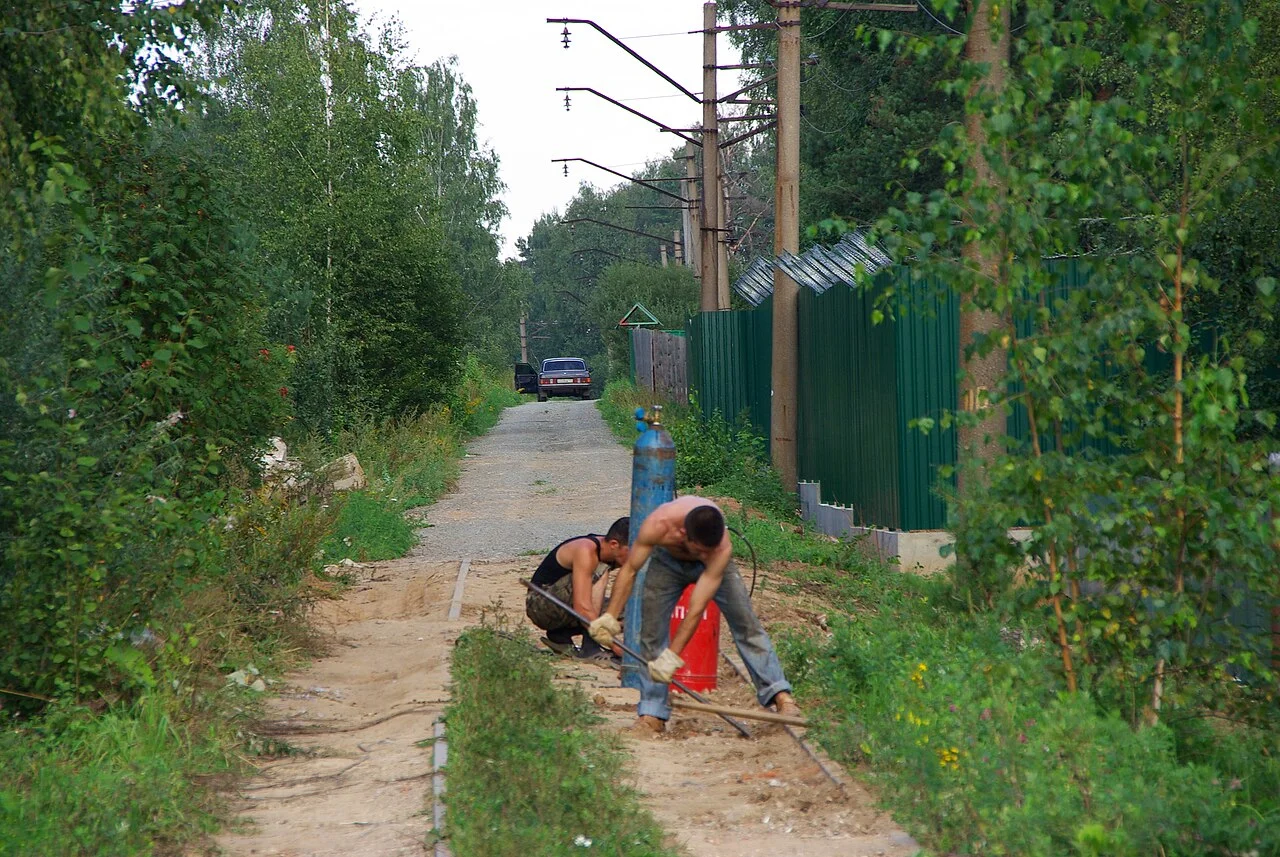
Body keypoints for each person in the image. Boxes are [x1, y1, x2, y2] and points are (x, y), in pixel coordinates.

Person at [588, 497, 800, 733]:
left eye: (707, 551)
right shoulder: (659, 525)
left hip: (714, 569)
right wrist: (610, 616)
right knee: (652, 633)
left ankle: (781, 696)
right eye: (698, 550)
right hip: (667, 562)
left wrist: (672, 656)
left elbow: (696, 608)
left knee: (746, 625)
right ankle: (652, 713)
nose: (702, 555)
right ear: (682, 533)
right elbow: (630, 570)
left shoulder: (719, 549)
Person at [526, 516, 630, 662]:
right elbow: (582, 608)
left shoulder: (614, 552)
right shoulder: (586, 551)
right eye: (631, 551)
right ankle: (590, 648)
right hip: (541, 606)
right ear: (614, 544)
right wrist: (615, 645)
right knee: (600, 569)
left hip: (565, 607)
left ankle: (561, 635)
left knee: (631, 613)